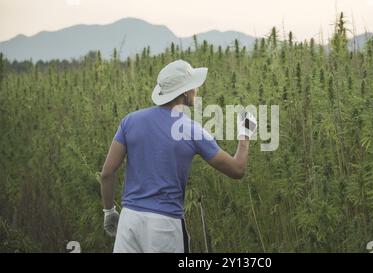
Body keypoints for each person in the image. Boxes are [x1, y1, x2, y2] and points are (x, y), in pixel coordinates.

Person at [100, 59, 258, 253]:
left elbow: (107, 173)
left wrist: (109, 211)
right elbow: (237, 170)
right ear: (184, 92)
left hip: (129, 220)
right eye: (194, 87)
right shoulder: (192, 131)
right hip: (165, 225)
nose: (196, 91)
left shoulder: (130, 121)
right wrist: (245, 136)